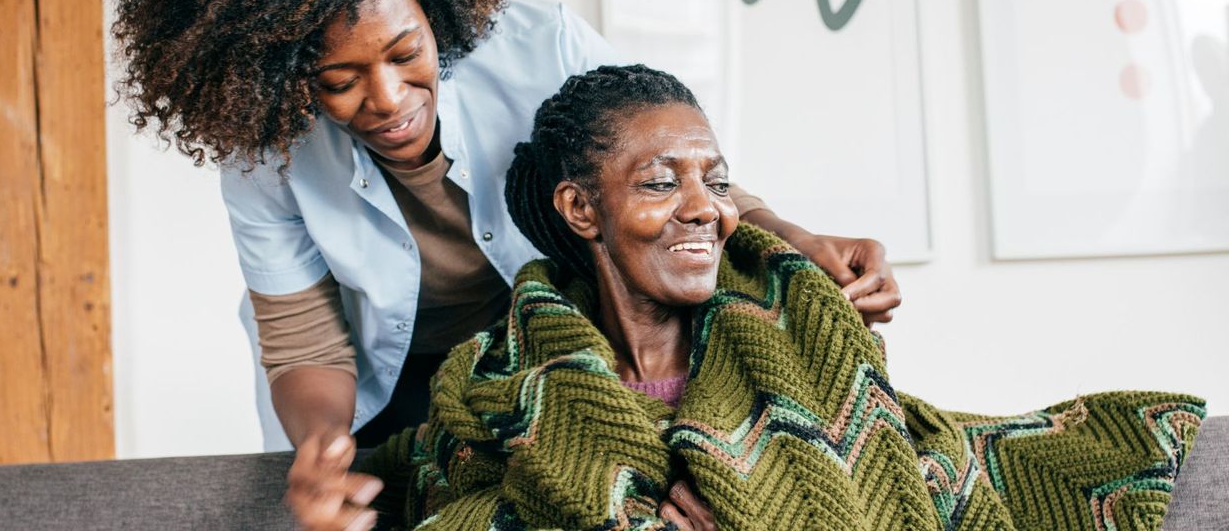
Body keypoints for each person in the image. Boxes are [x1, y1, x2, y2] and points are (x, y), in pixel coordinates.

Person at [111, 0, 899, 522]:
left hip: (549, 344)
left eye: (404, 52)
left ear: (433, 0)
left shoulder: (542, 49)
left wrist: (794, 236)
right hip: (399, 380)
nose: (385, 99)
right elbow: (303, 340)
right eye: (339, 82)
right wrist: (324, 447)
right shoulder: (268, 151)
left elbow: (664, 165)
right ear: (285, 77)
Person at [325, 65, 1201, 531]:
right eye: (662, 181)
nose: (705, 206)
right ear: (582, 208)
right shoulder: (504, 381)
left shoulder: (800, 325)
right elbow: (456, 501)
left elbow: (874, 480)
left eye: (717, 179)